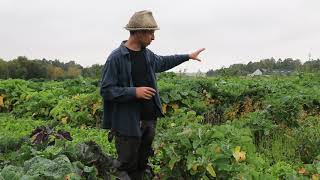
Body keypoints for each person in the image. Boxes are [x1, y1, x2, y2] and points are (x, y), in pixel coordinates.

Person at [100, 10, 205, 180]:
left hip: (149, 120)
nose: (153, 38)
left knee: (142, 162)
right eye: (151, 33)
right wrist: (135, 92)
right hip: (128, 123)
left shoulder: (147, 55)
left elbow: (163, 62)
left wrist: (187, 57)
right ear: (139, 32)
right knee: (126, 165)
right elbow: (106, 90)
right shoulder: (116, 58)